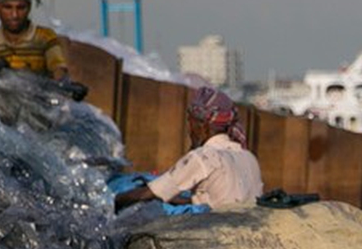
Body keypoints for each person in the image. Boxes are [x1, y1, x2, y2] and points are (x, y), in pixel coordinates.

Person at [112, 86, 264, 213]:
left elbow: (150, 193)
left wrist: (113, 201)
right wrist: (177, 200)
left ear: (202, 126)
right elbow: (221, 200)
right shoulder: (249, 157)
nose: (190, 131)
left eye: (190, 124)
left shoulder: (204, 157)